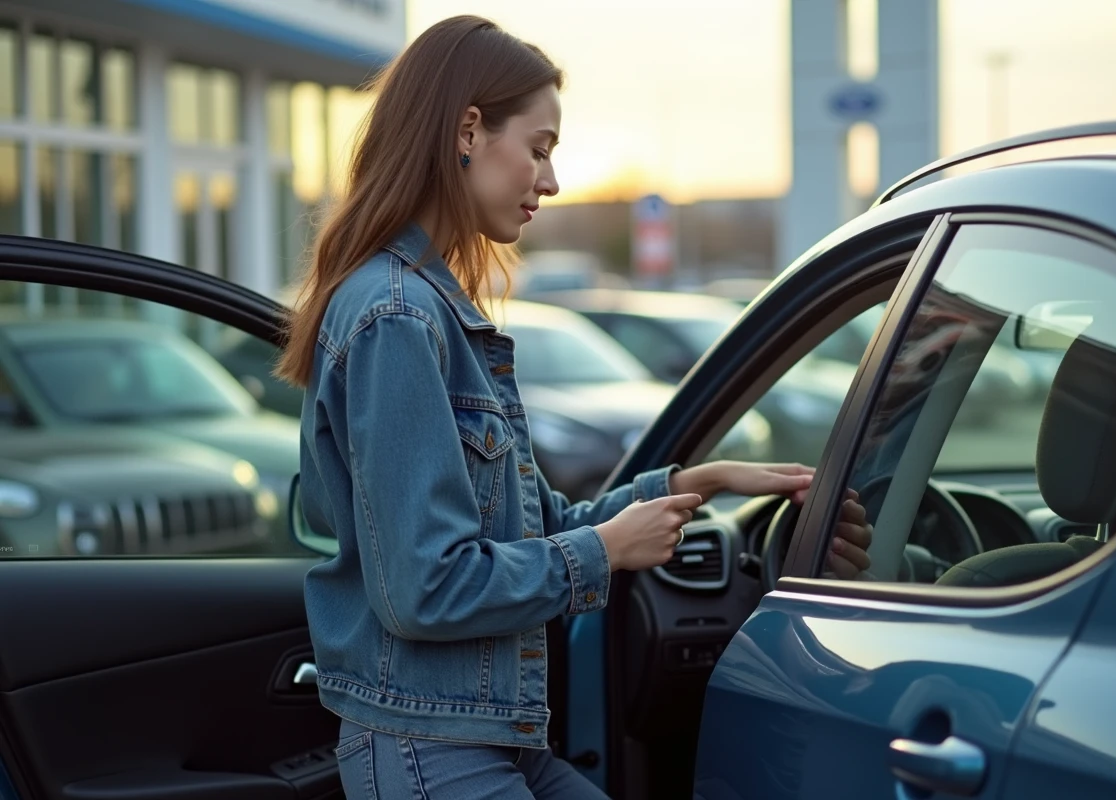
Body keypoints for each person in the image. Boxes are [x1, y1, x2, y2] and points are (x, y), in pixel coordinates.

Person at [275, 15, 873, 800]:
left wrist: (693, 485)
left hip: (489, 734)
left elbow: (530, 525)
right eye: (540, 148)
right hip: (430, 745)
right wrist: (606, 552)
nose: (551, 182)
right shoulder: (397, 318)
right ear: (467, 131)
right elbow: (424, 588)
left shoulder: (431, 310)